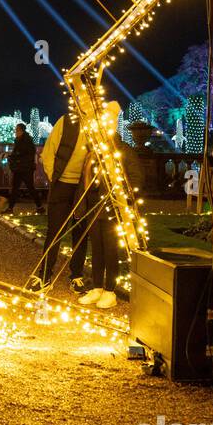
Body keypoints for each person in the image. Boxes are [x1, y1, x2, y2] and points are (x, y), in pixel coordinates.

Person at [79, 101, 128, 311]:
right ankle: (97, 286)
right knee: (97, 250)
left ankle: (110, 290)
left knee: (111, 252)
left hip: (111, 209)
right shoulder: (94, 152)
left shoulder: (121, 151)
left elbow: (134, 178)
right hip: (94, 209)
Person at [36, 109, 90, 290]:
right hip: (62, 183)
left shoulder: (98, 124)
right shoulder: (66, 121)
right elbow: (49, 151)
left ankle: (76, 275)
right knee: (54, 232)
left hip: (84, 186)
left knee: (81, 234)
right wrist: (54, 177)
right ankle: (45, 275)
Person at [2, 123, 41, 214]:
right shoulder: (23, 139)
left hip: (24, 168)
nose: (15, 132)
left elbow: (21, 153)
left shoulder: (24, 140)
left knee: (26, 188)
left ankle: (39, 206)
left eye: (16, 130)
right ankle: (11, 208)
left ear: (21, 130)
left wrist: (11, 155)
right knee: (19, 188)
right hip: (23, 168)